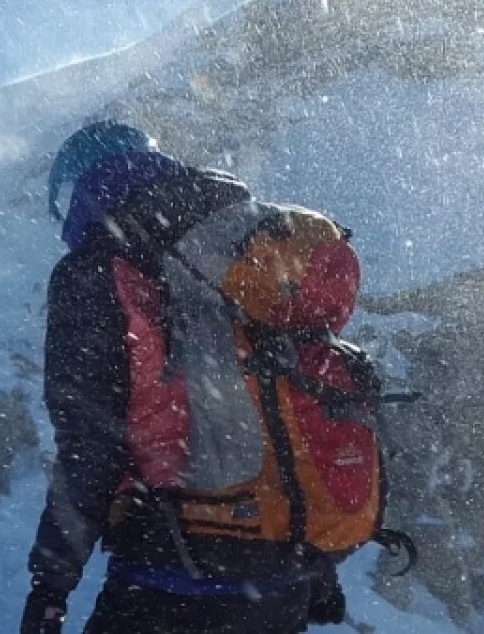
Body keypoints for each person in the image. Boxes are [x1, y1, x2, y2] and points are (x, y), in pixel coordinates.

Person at [21, 122, 344, 634]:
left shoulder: (97, 271)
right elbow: (289, 400)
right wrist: (317, 566)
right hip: (281, 579)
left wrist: (50, 585)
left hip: (171, 573)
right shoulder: (239, 245)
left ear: (83, 188)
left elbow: (91, 445)